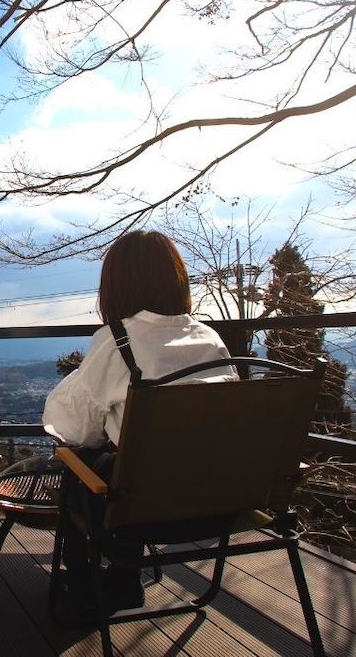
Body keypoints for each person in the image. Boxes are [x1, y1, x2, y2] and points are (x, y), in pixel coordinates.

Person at [42, 230, 236, 619]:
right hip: (220, 503)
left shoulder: (119, 342)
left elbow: (74, 429)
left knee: (82, 461)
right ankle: (122, 575)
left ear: (114, 286)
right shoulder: (210, 339)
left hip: (139, 510)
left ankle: (89, 580)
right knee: (126, 462)